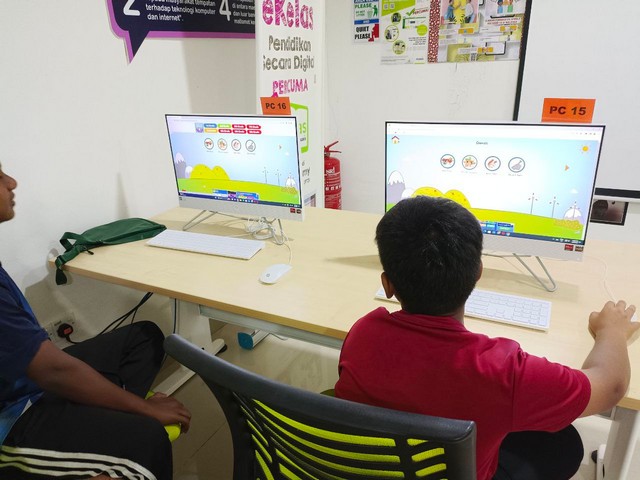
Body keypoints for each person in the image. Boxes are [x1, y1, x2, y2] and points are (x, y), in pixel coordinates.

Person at [335, 196, 639, 480]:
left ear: (387, 285)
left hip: (378, 466)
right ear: (478, 273)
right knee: (565, 445)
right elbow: (611, 386)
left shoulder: (362, 333)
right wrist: (611, 331)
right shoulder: (502, 373)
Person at [0, 164, 191, 480]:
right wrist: (146, 409)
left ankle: (103, 421)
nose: (12, 182)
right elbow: (53, 370)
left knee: (145, 337)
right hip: (12, 420)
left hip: (29, 384)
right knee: (147, 438)